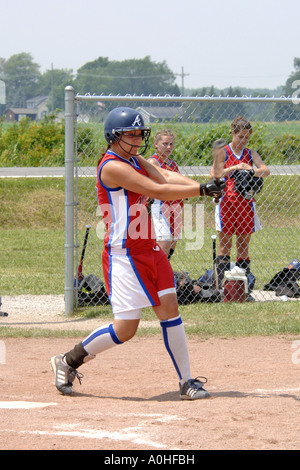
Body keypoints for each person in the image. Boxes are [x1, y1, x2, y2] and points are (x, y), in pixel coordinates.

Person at [51, 107, 225, 400]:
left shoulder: (133, 158)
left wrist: (210, 185)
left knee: (170, 309)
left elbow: (165, 174)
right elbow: (156, 189)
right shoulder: (112, 166)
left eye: (138, 134)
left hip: (150, 247)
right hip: (124, 255)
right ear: (112, 137)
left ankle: (186, 381)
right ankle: (68, 360)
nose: (135, 140)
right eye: (128, 135)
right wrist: (201, 191)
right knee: (125, 329)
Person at [209, 116, 270, 297]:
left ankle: (243, 288)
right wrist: (234, 168)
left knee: (243, 245)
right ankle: (221, 288)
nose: (243, 140)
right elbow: (214, 174)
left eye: (246, 137)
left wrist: (250, 169)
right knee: (225, 246)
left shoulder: (250, 153)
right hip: (227, 203)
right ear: (233, 133)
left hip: (245, 204)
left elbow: (265, 171)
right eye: (240, 136)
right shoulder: (224, 152)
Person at [147, 129, 183, 259]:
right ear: (156, 144)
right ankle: (156, 273)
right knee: (164, 241)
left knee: (172, 242)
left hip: (176, 205)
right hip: (161, 205)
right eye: (165, 143)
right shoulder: (153, 162)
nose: (169, 147)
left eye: (171, 144)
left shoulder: (173, 164)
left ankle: (164, 270)